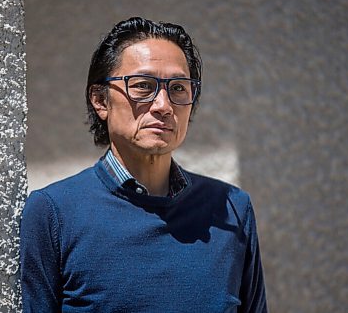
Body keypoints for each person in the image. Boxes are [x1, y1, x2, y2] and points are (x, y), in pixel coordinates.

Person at [20, 16, 268, 313]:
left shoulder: (232, 208)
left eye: (178, 88)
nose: (163, 105)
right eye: (142, 85)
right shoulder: (54, 213)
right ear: (100, 100)